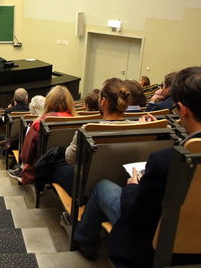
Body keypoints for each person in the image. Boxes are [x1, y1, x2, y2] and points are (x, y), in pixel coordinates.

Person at [74, 67, 201, 267]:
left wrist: (133, 185)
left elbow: (134, 212)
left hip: (155, 245)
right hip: (194, 242)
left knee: (102, 187)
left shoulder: (164, 161)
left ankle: (83, 239)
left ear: (183, 110)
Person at [9, 86, 75, 182]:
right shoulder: (76, 120)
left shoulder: (39, 123)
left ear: (49, 101)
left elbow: (25, 156)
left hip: (43, 169)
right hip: (70, 165)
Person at [0, 88, 29, 158]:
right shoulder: (31, 112)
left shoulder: (9, 111)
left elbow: (6, 125)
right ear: (26, 99)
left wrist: (8, 108)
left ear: (14, 99)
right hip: (25, 140)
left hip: (10, 140)